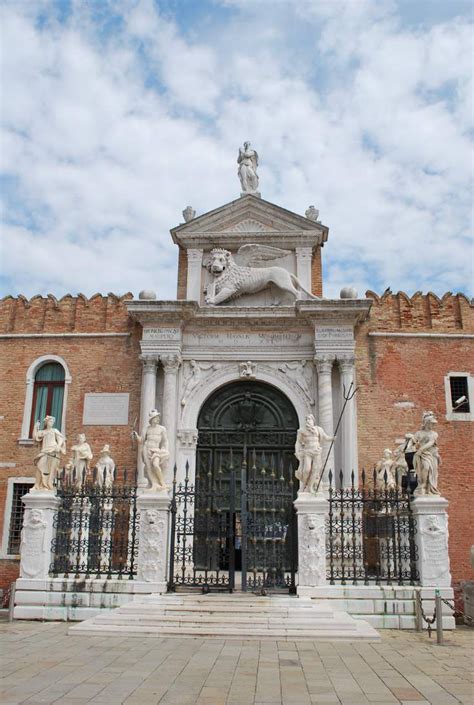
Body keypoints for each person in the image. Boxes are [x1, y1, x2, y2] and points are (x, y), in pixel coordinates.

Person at [295, 414, 335, 493]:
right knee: (307, 469)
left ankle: (310, 487)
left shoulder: (318, 429)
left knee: (315, 470)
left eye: (309, 419)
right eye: (306, 419)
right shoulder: (302, 430)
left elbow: (325, 438)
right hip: (307, 452)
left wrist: (332, 438)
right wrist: (297, 451)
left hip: (316, 452)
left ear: (313, 421)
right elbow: (298, 442)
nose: (308, 421)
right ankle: (304, 484)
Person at [132, 409, 170, 491]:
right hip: (146, 449)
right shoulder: (146, 429)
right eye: (156, 417)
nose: (158, 419)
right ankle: (154, 484)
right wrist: (136, 436)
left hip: (156, 450)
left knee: (156, 465)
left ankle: (162, 483)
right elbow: (141, 440)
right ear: (152, 419)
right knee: (148, 467)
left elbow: (165, 441)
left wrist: (165, 450)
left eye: (158, 417)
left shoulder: (162, 429)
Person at [32, 416, 66, 490]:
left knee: (51, 469)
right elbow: (35, 437)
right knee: (39, 466)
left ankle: (47, 485)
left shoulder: (54, 431)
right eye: (50, 421)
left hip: (53, 450)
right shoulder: (43, 432)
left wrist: (58, 446)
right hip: (44, 451)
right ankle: (37, 485)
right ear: (46, 422)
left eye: (53, 422)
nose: (52, 423)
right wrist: (36, 427)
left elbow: (61, 439)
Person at [413, 411, 441, 496]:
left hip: (432, 454)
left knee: (432, 473)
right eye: (431, 423)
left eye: (433, 424)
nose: (433, 425)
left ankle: (430, 488)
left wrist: (420, 449)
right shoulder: (418, 433)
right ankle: (423, 485)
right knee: (426, 468)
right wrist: (414, 444)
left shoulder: (434, 434)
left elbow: (431, 443)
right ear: (426, 423)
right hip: (422, 455)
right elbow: (413, 443)